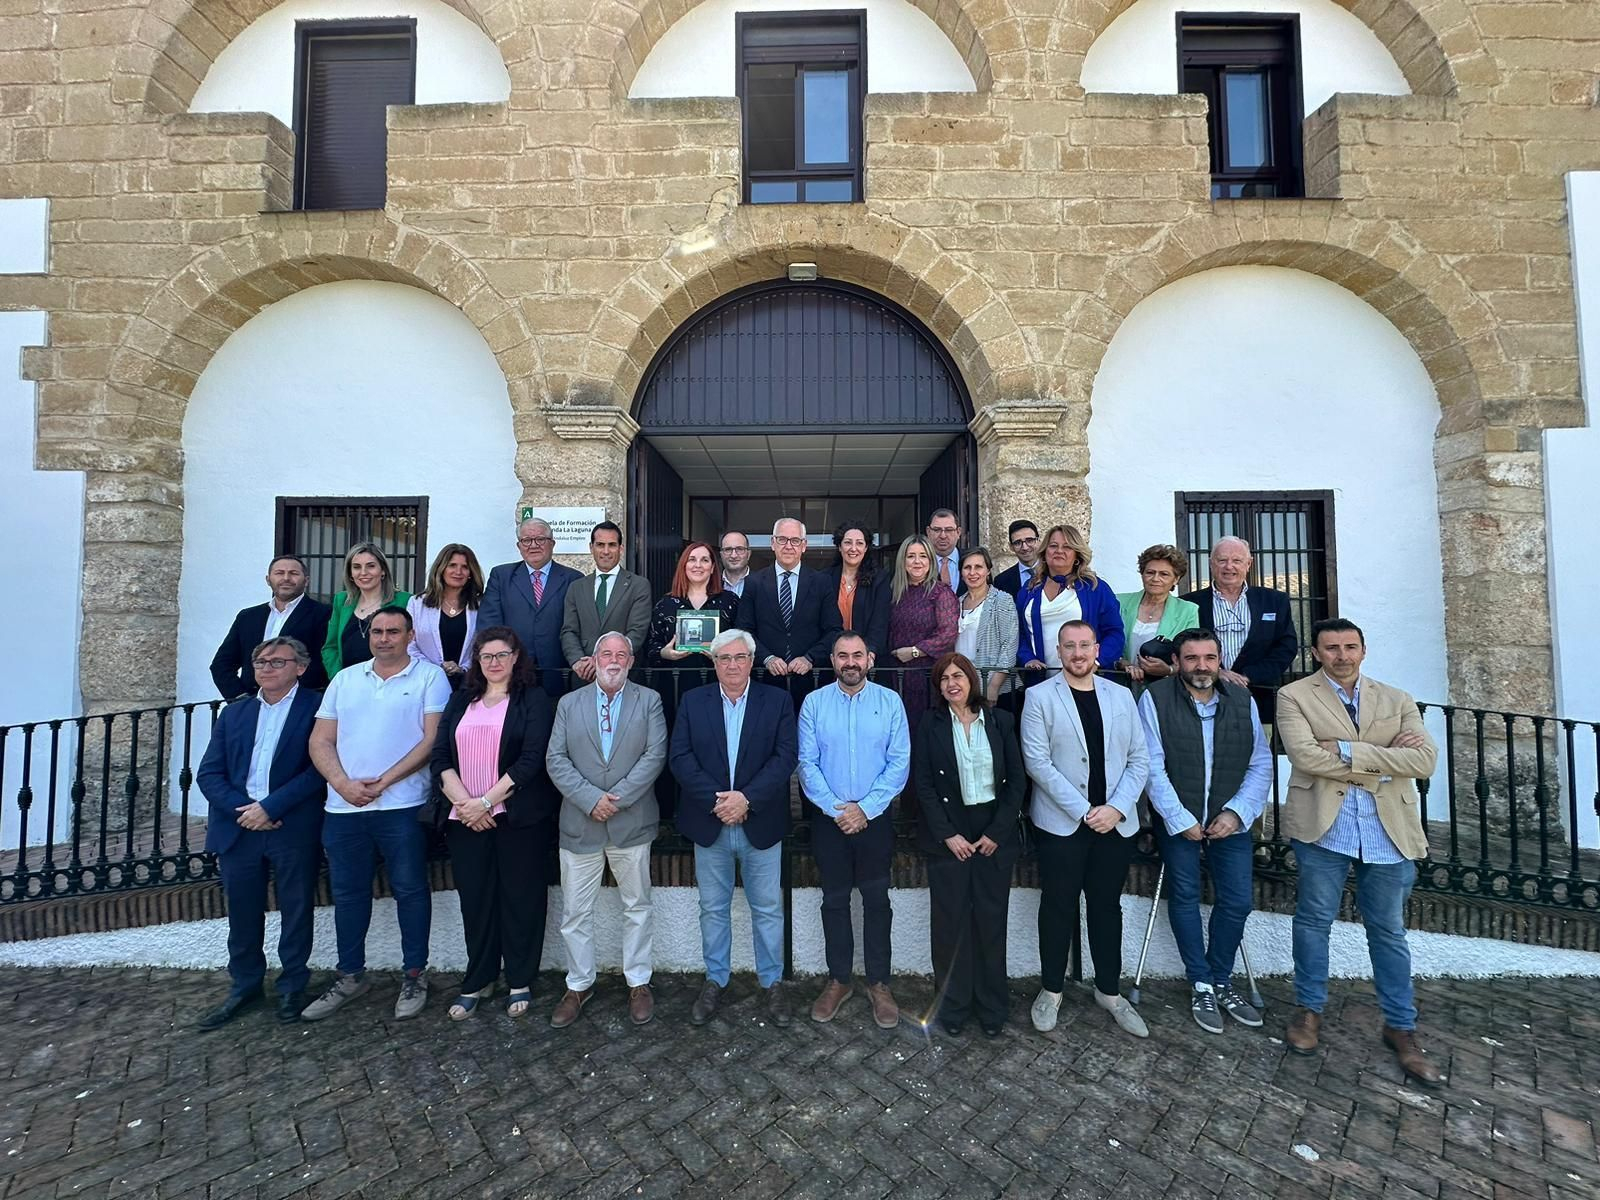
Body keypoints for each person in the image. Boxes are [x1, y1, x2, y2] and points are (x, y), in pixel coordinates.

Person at [1276, 618, 1444, 1086]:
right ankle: (1308, 1010)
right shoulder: (1294, 696)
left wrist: (1349, 749)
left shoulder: (1397, 699)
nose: (1342, 656)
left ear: (1364, 650)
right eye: (1332, 648)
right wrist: (1385, 759)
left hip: (1388, 829)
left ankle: (1401, 1026)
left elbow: (1425, 761)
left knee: (1388, 931)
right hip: (1324, 828)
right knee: (1313, 922)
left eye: (1350, 647)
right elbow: (1306, 756)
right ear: (1316, 653)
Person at [303, 605, 450, 1022]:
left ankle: (414, 974)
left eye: (393, 631)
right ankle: (350, 974)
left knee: (410, 890)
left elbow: (431, 740)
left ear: (409, 636)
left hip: (402, 805)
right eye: (377, 631)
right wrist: (343, 784)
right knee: (348, 895)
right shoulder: (345, 680)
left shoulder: (428, 677)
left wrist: (384, 781)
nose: (384, 638)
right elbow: (320, 740)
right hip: (343, 807)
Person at [1137, 628, 1271, 1034]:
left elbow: (1260, 761)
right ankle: (1200, 981)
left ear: (1219, 661)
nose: (1201, 666)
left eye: (1209, 658)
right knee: (1185, 896)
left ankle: (1220, 977)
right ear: (1176, 663)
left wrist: (1238, 812)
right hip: (1180, 820)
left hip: (1230, 819)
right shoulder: (1155, 699)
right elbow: (1150, 764)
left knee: (1237, 901)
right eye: (1191, 658)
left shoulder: (1242, 700)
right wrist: (1179, 819)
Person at [1022, 620, 1150, 1038]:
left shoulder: (1121, 696)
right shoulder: (1039, 697)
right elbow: (1038, 763)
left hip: (1114, 823)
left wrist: (1115, 808)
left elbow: (1139, 759)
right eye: (1069, 646)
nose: (1077, 653)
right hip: (1062, 823)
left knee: (1106, 906)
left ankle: (1109, 991)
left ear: (1097, 649)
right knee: (1057, 905)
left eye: (1084, 645)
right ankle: (1052, 990)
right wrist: (1084, 811)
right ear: (1059, 652)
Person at [669, 629, 798, 1027]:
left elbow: (785, 756)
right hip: (711, 823)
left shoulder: (776, 701)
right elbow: (680, 756)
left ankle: (772, 982)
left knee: (767, 908)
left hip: (760, 821)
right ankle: (715, 979)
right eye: (724, 658)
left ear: (751, 660)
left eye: (740, 657)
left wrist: (747, 799)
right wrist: (720, 801)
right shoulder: (693, 701)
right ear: (714, 663)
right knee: (713, 908)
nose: (732, 665)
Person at [194, 636, 325, 1027]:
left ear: (300, 667)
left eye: (276, 662)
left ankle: (292, 987)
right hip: (239, 828)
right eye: (260, 663)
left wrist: (270, 807)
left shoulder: (317, 708)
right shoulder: (234, 714)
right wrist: (246, 811)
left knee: (296, 909)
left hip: (290, 824)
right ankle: (245, 985)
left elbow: (319, 768)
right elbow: (209, 773)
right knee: (242, 912)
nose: (266, 669)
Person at [429, 626, 558, 1022]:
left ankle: (520, 978)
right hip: (464, 818)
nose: (494, 663)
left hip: (518, 818)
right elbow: (439, 756)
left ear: (516, 657)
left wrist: (486, 801)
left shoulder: (533, 699)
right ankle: (478, 978)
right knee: (477, 899)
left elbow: (531, 758)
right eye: (487, 656)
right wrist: (466, 804)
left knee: (522, 898)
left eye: (502, 655)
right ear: (477, 661)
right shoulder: (460, 699)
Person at [546, 633, 668, 1027]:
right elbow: (556, 758)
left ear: (631, 661)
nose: (613, 660)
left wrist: (616, 799)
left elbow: (655, 755)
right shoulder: (569, 703)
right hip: (581, 822)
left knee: (637, 906)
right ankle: (579, 983)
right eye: (606, 653)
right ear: (594, 659)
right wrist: (590, 799)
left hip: (631, 821)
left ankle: (638, 981)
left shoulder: (649, 700)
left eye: (621, 654)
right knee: (576, 911)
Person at [798, 631, 911, 1028]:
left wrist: (864, 809)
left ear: (870, 659)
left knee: (877, 901)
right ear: (832, 660)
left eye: (857, 655)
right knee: (834, 900)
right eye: (843, 655)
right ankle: (839, 980)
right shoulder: (813, 704)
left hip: (875, 819)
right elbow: (807, 764)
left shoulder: (890, 702)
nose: (850, 662)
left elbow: (898, 763)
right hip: (830, 821)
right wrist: (836, 809)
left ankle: (879, 983)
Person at [913, 652, 1025, 1037]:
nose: (951, 684)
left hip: (992, 830)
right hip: (950, 832)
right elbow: (923, 785)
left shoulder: (1000, 720)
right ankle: (954, 1007)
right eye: (943, 679)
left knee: (990, 922)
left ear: (972, 680)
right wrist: (948, 835)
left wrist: (997, 832)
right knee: (950, 926)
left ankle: (993, 1007)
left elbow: (1017, 782)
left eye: (958, 676)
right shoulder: (930, 724)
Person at [1182, 536, 1299, 720]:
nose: (1229, 567)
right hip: (1200, 695)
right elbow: (1181, 647)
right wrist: (1216, 672)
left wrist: (1248, 676)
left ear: (1249, 564)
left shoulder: (1274, 600)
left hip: (1259, 697)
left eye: (1237, 560)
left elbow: (1286, 647)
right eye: (1222, 560)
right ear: (1211, 564)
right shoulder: (1189, 603)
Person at [480, 516, 584, 695]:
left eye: (540, 539)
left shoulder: (573, 579)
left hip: (559, 674)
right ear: (519, 546)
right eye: (526, 540)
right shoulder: (501, 576)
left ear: (552, 543)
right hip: (512, 672)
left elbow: (579, 626)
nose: (533, 545)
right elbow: (490, 624)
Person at [741, 517, 842, 698]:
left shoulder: (821, 582)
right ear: (773, 543)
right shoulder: (754, 582)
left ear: (804, 546)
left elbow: (834, 630)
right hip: (766, 680)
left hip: (812, 681)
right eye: (782, 539)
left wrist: (809, 658)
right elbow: (744, 630)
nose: (788, 546)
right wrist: (767, 658)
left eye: (795, 540)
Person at [211, 554, 331, 697]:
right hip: (253, 704)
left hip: (302, 704)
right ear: (268, 580)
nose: (286, 578)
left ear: (306, 581)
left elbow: (327, 661)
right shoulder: (248, 617)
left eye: (293, 573)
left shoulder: (324, 614)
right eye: (279, 573)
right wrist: (239, 698)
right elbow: (221, 664)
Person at [1016, 524, 1123, 681]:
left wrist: (1096, 663)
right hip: (1041, 683)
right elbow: (1021, 634)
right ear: (1044, 552)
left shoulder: (1095, 588)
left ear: (1077, 557)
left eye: (1067, 547)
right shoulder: (1029, 590)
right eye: (1053, 546)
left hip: (1087, 679)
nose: (1059, 551)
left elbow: (1115, 633)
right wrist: (1028, 659)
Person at [561, 521, 652, 685]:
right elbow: (569, 631)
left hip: (623, 675)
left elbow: (637, 631)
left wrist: (607, 659)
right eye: (600, 545)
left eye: (612, 545)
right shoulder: (576, 587)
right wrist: (577, 661)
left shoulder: (638, 585)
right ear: (591, 547)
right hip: (585, 675)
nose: (606, 551)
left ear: (621, 548)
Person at [887, 535, 959, 718]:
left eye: (923, 556)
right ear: (903, 561)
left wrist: (914, 651)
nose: (917, 561)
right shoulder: (894, 593)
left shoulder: (941, 593)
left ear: (930, 561)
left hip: (928, 676)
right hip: (896, 676)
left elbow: (948, 633)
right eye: (911, 556)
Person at [321, 542, 412, 681]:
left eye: (371, 566)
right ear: (350, 573)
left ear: (383, 570)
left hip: (392, 681)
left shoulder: (405, 601)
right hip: (348, 684)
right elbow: (330, 647)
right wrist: (339, 678)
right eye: (357, 567)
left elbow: (413, 644)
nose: (363, 572)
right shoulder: (342, 601)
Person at [644, 542, 740, 672]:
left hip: (719, 680)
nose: (698, 565)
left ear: (712, 568)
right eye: (692, 560)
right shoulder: (665, 604)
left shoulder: (730, 601)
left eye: (705, 560)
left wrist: (722, 655)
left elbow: (742, 641)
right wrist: (664, 653)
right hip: (676, 681)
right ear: (684, 565)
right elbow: (650, 646)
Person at [1117, 544, 1201, 684]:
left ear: (1176, 579)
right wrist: (1123, 663)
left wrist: (1168, 670)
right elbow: (1103, 640)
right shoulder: (1119, 602)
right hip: (1120, 683)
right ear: (1142, 574)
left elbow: (1192, 655)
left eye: (1164, 574)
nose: (1155, 579)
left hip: (1163, 688)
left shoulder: (1188, 610)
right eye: (1150, 572)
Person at [407, 543, 485, 687]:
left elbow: (484, 644)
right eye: (452, 565)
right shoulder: (417, 603)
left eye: (465, 567)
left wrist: (462, 668)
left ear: (471, 573)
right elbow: (408, 643)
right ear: (441, 569)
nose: (458, 571)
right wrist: (436, 667)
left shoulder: (481, 605)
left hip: (468, 684)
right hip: (425, 681)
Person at [955, 547, 1019, 703]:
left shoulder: (1002, 600)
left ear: (988, 571)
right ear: (961, 573)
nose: (972, 572)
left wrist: (994, 686)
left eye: (978, 567)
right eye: (967, 568)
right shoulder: (955, 603)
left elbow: (1009, 646)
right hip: (963, 685)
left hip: (994, 687)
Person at [824, 523, 890, 659]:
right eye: (847, 543)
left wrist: (869, 653)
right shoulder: (824, 578)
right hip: (830, 658)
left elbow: (880, 622)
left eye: (859, 543)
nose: (853, 549)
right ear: (839, 546)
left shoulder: (880, 579)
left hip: (867, 659)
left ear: (866, 548)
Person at [993, 521, 1041, 597]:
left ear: (1038, 541)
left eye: (1029, 540)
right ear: (1011, 547)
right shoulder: (1001, 581)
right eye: (1018, 543)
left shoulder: (1054, 572)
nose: (1025, 547)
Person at [926, 508, 964, 594]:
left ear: (958, 532)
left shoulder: (970, 560)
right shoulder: (919, 563)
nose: (943, 536)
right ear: (928, 532)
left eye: (949, 530)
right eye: (936, 530)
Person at [719, 530, 753, 598]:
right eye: (728, 549)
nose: (733, 555)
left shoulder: (762, 585)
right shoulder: (709, 585)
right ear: (721, 555)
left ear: (748, 554)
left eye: (740, 549)